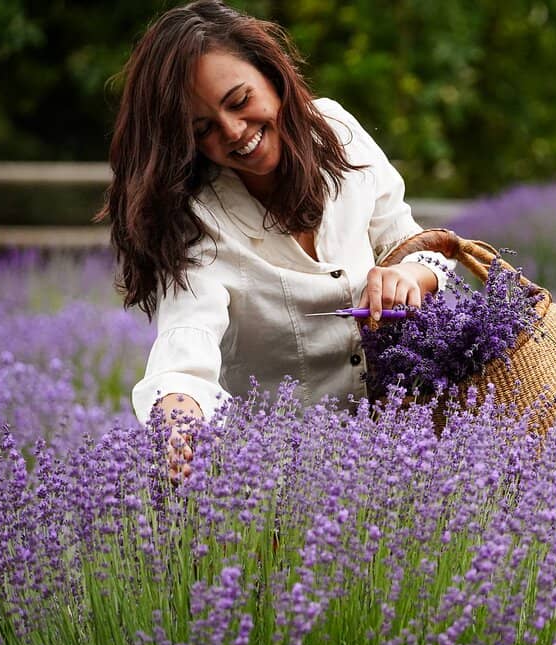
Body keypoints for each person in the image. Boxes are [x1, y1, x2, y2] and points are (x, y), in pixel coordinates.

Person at [100, 0, 452, 471]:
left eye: (240, 101)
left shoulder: (337, 131)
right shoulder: (198, 219)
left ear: (273, 76)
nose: (233, 131)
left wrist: (409, 273)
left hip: (407, 450)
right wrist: (177, 419)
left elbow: (409, 240)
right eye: (203, 129)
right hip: (282, 484)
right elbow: (186, 341)